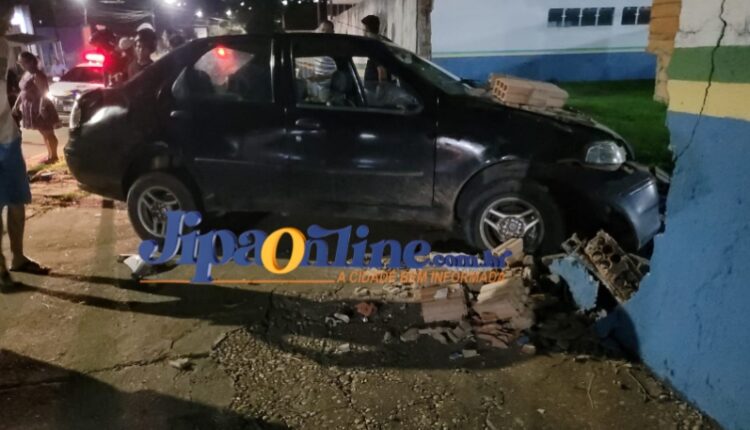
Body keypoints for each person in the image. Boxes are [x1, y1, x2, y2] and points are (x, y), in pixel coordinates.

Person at [1, 4, 50, 290]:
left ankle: (18, 257)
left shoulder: (5, 46)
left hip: (8, 137)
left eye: (8, 18)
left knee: (17, 201)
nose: (7, 24)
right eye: (3, 18)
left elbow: (7, 88)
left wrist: (14, 114)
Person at [13, 51, 59, 164]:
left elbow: (44, 92)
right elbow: (22, 91)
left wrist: (41, 108)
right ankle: (50, 155)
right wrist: (16, 104)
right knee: (43, 132)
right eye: (20, 63)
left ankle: (54, 156)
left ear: (31, 62)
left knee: (48, 132)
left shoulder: (37, 75)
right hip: (31, 107)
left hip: (40, 107)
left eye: (23, 62)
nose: (21, 65)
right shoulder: (27, 74)